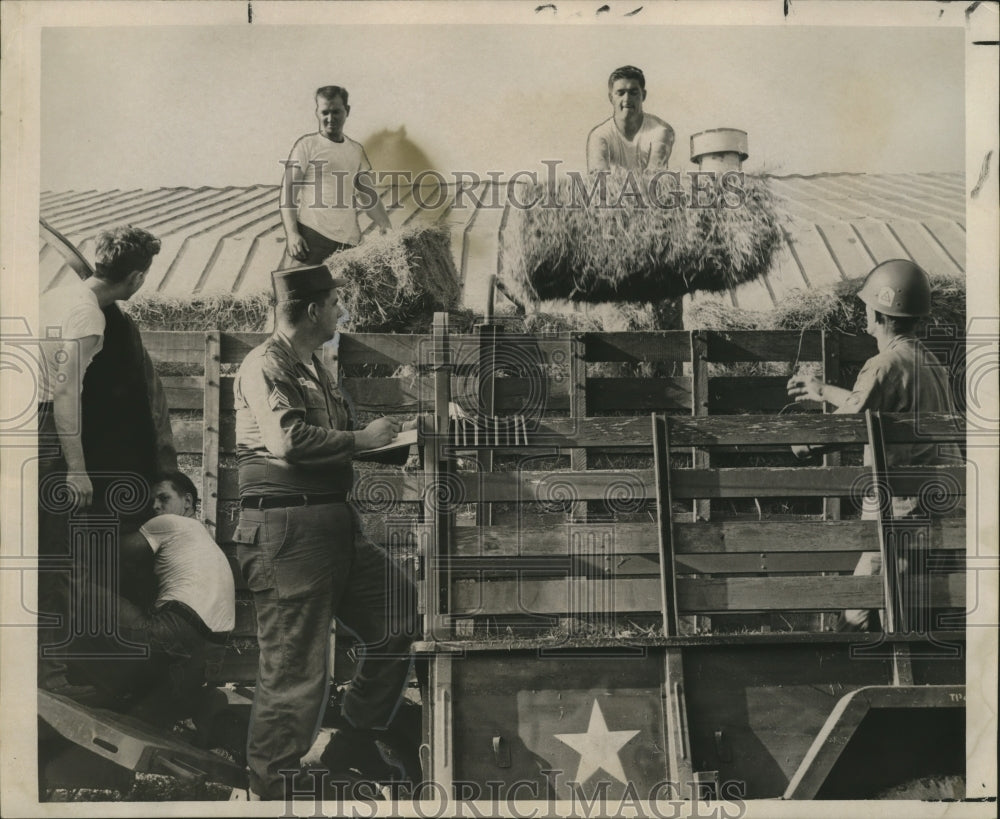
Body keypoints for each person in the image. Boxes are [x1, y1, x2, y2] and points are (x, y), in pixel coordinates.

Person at [233, 264, 420, 800]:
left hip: (334, 524)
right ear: (313, 309)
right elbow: (288, 440)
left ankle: (356, 739)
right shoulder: (266, 364)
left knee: (398, 610)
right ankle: (273, 788)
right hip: (287, 530)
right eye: (337, 303)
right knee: (295, 667)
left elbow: (333, 437)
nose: (342, 312)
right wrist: (362, 439)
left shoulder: (311, 366)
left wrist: (401, 438)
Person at [38, 225, 175, 699]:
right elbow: (64, 392)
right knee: (54, 560)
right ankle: (51, 679)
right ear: (136, 278)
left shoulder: (54, 295)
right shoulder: (90, 317)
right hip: (45, 432)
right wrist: (77, 469)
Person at [786, 259, 962, 631]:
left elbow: (846, 427)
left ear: (878, 312)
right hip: (931, 510)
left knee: (864, 616)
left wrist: (801, 445)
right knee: (888, 615)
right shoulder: (927, 363)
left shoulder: (882, 365)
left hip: (898, 516)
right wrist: (823, 392)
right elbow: (874, 406)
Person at [70, 471, 236, 728]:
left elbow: (112, 551)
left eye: (163, 498)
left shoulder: (170, 523)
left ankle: (62, 678)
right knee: (141, 715)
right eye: (153, 502)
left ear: (188, 502)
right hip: (210, 653)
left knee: (71, 587)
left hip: (175, 631)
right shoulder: (204, 539)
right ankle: (198, 702)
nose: (156, 507)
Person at [280, 85, 392, 266]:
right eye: (325, 112)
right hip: (313, 237)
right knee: (301, 292)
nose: (330, 118)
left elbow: (368, 195)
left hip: (348, 243)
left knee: (348, 294)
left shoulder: (356, 150)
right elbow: (288, 192)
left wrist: (384, 224)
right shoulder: (306, 145)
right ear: (317, 112)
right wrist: (292, 233)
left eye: (336, 112)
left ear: (347, 111)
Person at [586, 65, 675, 174]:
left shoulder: (660, 131)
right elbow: (599, 181)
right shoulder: (599, 135)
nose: (627, 99)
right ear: (611, 98)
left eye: (633, 92)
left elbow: (654, 178)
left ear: (644, 95)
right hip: (615, 191)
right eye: (620, 93)